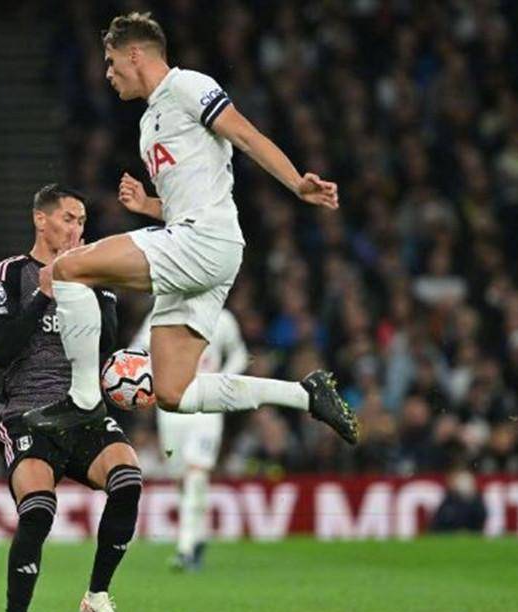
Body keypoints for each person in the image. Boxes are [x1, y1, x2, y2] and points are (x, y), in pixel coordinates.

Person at [24, 12, 358, 448]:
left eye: (111, 61)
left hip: (203, 241)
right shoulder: (148, 124)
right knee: (172, 392)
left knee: (67, 269)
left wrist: (296, 181)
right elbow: (191, 200)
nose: (108, 73)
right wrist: (148, 206)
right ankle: (305, 395)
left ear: (135, 54)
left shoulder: (188, 86)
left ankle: (83, 400)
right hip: (202, 244)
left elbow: (246, 135)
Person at [0, 185, 142, 612]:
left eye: (82, 221)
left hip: (84, 411)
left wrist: (90, 286)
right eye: (69, 219)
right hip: (27, 414)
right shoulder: (11, 273)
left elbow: (107, 347)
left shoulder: (97, 274)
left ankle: (97, 594)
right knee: (38, 509)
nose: (78, 229)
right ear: (41, 220)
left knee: (129, 479)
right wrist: (43, 296)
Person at [132, 307, 247, 570]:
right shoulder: (159, 315)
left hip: (207, 407)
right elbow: (136, 353)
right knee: (183, 480)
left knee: (197, 474)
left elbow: (239, 353)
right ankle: (199, 537)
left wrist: (223, 380)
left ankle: (185, 549)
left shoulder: (222, 317)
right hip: (171, 410)